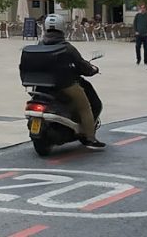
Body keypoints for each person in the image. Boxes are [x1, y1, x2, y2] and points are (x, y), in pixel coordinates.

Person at [40, 13, 105, 149]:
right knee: (85, 107)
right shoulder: (66, 47)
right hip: (64, 85)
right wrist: (92, 70)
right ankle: (90, 137)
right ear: (62, 27)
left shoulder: (40, 44)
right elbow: (81, 64)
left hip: (41, 85)